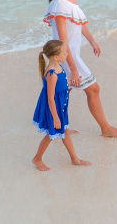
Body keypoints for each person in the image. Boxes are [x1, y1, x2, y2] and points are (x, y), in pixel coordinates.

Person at [44, 0, 117, 138]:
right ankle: (106, 129)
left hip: (71, 55)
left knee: (63, 92)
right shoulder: (60, 5)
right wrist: (73, 68)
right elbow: (62, 40)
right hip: (66, 56)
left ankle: (59, 127)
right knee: (93, 89)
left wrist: (92, 41)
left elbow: (79, 23)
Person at [32, 39, 91, 171]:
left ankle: (75, 159)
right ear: (56, 56)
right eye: (65, 52)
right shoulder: (52, 73)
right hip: (54, 108)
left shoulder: (60, 67)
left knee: (63, 132)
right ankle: (37, 159)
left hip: (61, 105)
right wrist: (56, 118)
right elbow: (50, 98)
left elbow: (61, 87)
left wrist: (70, 85)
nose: (67, 55)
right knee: (51, 134)